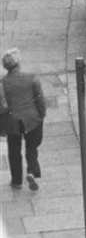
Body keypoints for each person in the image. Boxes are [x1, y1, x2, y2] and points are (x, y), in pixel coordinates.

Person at [3, 49, 46, 190]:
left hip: (12, 121)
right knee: (32, 147)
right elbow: (40, 99)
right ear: (18, 63)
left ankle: (16, 181)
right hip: (32, 118)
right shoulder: (31, 78)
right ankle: (31, 171)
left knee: (14, 150)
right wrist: (42, 114)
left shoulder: (2, 83)